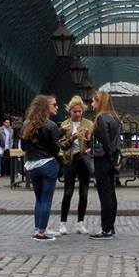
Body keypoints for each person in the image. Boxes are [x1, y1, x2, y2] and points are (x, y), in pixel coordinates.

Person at [21, 94, 63, 240]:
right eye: (54, 105)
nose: (56, 107)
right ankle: (41, 232)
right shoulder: (51, 125)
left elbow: (22, 146)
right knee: (46, 199)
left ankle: (37, 228)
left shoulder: (26, 124)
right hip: (47, 164)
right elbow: (56, 148)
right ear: (45, 107)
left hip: (32, 165)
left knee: (38, 199)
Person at [89, 87, 124, 239]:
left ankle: (106, 229)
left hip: (103, 159)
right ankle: (111, 227)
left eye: (93, 101)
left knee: (105, 195)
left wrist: (110, 160)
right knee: (111, 193)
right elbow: (116, 143)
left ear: (99, 102)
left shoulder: (101, 118)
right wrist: (116, 160)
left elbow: (105, 141)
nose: (91, 104)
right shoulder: (115, 118)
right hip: (111, 159)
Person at [58, 95, 94, 231]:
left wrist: (89, 140)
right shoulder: (65, 125)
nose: (78, 114)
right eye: (75, 111)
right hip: (70, 160)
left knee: (84, 193)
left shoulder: (89, 124)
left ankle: (80, 222)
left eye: (80, 111)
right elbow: (62, 145)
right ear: (70, 111)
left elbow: (93, 145)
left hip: (83, 159)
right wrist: (72, 139)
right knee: (68, 192)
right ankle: (63, 223)